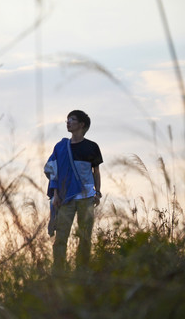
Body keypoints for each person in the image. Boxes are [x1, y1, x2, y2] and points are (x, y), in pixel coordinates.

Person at [44, 110, 103, 272]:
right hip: (65, 198)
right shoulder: (61, 147)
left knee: (85, 236)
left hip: (87, 197)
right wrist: (55, 195)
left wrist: (97, 192)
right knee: (61, 236)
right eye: (67, 120)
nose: (68, 122)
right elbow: (54, 171)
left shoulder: (92, 147)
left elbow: (96, 172)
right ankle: (58, 271)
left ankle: (82, 270)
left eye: (72, 119)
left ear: (82, 124)